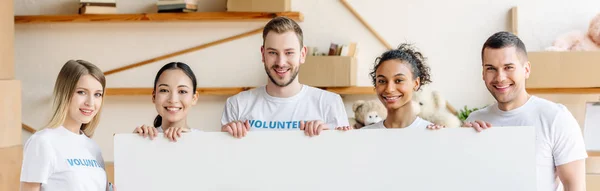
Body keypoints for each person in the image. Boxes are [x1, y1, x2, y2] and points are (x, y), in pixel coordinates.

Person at [464, 31, 587, 191]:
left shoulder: (556, 118)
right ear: (483, 73)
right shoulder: (475, 120)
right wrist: (461, 143)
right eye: (491, 68)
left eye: (508, 67)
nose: (500, 77)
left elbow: (575, 187)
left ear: (526, 69)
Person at [220, 16, 349, 138]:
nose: (281, 62)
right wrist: (224, 140)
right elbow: (225, 159)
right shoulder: (237, 105)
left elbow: (343, 158)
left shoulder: (330, 103)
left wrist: (329, 140)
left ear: (302, 54)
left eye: (289, 53)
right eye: (272, 52)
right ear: (263, 54)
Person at [20, 60, 116, 191]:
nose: (90, 102)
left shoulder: (93, 148)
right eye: (82, 92)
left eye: (97, 94)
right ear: (64, 93)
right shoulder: (42, 142)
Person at [133, 62, 201, 142]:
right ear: (154, 96)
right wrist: (133, 142)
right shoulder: (143, 138)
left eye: (182, 91)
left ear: (194, 98)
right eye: (164, 90)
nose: (173, 100)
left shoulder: (205, 141)